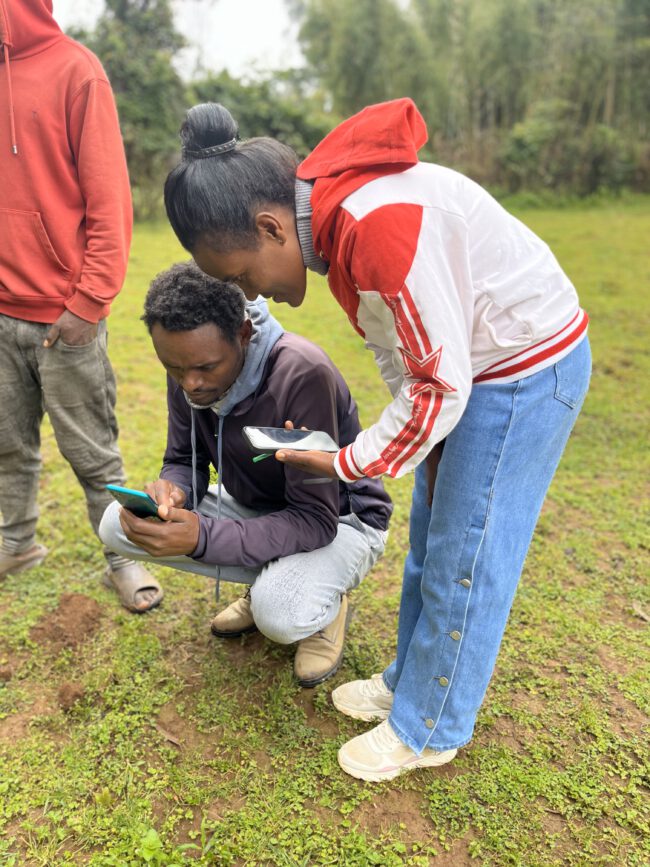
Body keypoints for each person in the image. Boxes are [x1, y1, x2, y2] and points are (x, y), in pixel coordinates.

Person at [162, 98, 591, 781]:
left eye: (242, 274)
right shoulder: (333, 222)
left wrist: (344, 459)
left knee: (467, 553)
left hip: (521, 372)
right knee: (433, 536)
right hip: (476, 368)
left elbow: (436, 385)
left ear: (271, 227)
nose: (251, 293)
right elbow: (404, 350)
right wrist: (401, 443)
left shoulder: (373, 225)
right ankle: (410, 681)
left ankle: (432, 725)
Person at [99, 262, 391, 687]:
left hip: (341, 521)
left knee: (282, 613)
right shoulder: (187, 365)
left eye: (205, 368)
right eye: (175, 369)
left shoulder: (302, 373)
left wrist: (202, 537)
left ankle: (323, 605)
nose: (191, 384)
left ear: (243, 334)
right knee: (118, 523)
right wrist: (176, 491)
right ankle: (278, 579)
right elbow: (185, 459)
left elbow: (315, 520)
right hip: (259, 508)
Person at [0, 0, 161, 612]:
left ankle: (122, 559)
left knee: (93, 451)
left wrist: (89, 301)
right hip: (0, 313)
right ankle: (16, 543)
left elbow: (109, 199)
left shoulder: (77, 71)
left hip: (65, 315)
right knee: (6, 445)